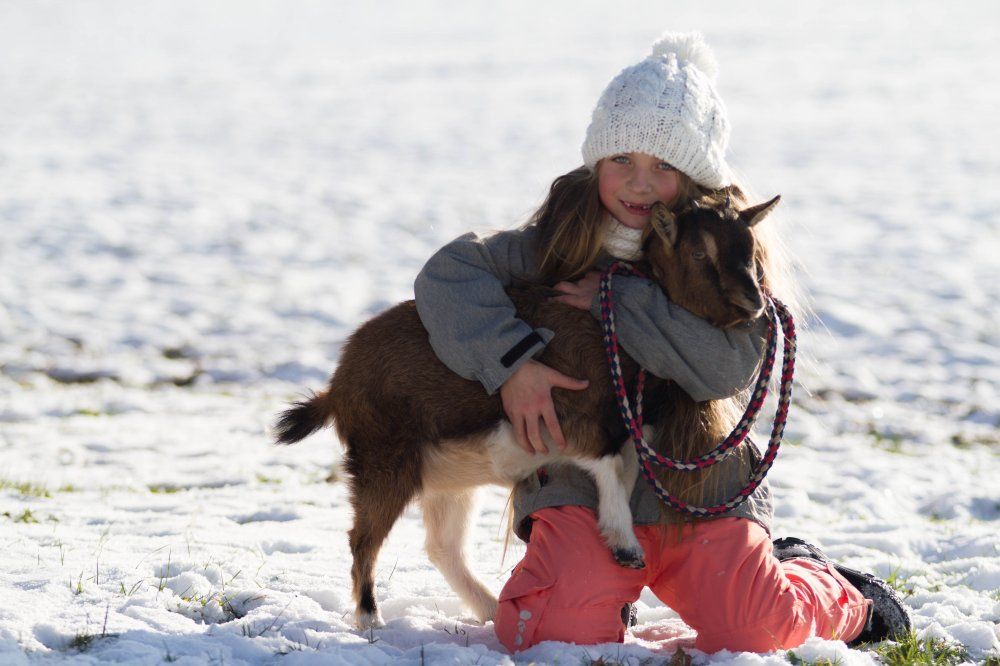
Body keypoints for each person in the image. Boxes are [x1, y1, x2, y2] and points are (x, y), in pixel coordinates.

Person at [413, 31, 910, 654]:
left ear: (696, 174)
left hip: (693, 475)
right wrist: (512, 365)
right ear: (597, 163)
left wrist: (616, 300)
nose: (639, 184)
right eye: (622, 160)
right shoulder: (562, 238)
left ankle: (826, 585)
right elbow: (449, 273)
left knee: (751, 628)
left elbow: (723, 368)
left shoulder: (726, 248)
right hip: (584, 478)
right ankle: (600, 591)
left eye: (663, 165)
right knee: (546, 633)